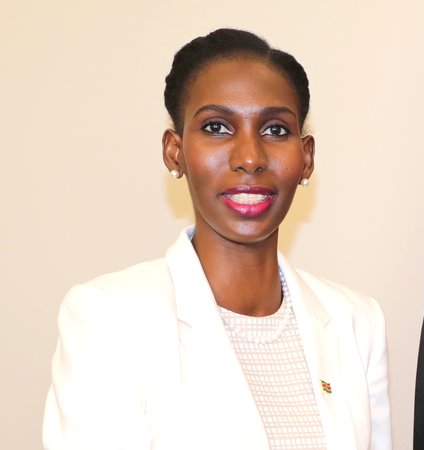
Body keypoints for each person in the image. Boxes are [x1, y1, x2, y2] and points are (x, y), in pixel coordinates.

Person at [43, 29, 391, 449]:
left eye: (275, 130)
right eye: (217, 127)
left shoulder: (356, 322)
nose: (250, 157)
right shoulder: (110, 318)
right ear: (175, 152)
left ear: (306, 158)